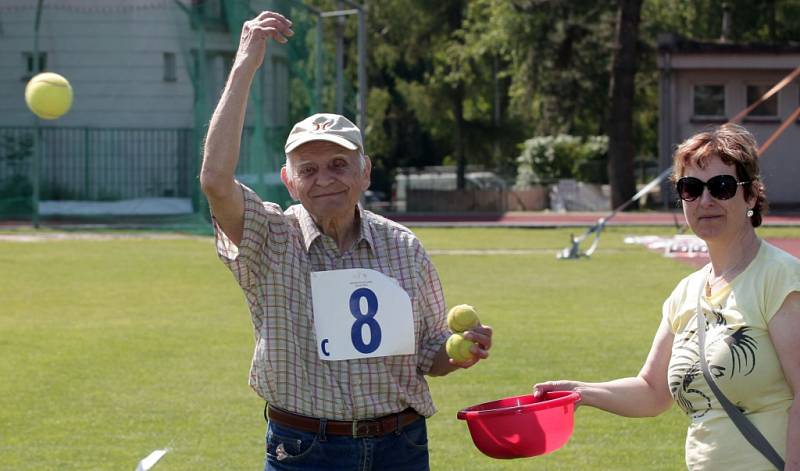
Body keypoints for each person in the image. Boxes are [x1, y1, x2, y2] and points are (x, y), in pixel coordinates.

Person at [199, 11, 493, 471]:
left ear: (364, 172)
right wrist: (244, 65)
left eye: (339, 164)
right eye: (309, 170)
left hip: (401, 445)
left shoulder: (404, 247)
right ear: (289, 182)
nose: (325, 179)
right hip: (303, 450)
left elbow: (431, 353)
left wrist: (461, 352)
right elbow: (216, 180)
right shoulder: (269, 237)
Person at [535, 123, 799, 471]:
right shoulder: (685, 293)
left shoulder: (780, 278)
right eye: (691, 188)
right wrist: (579, 393)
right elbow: (651, 391)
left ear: (751, 195)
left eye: (721, 187)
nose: (706, 201)